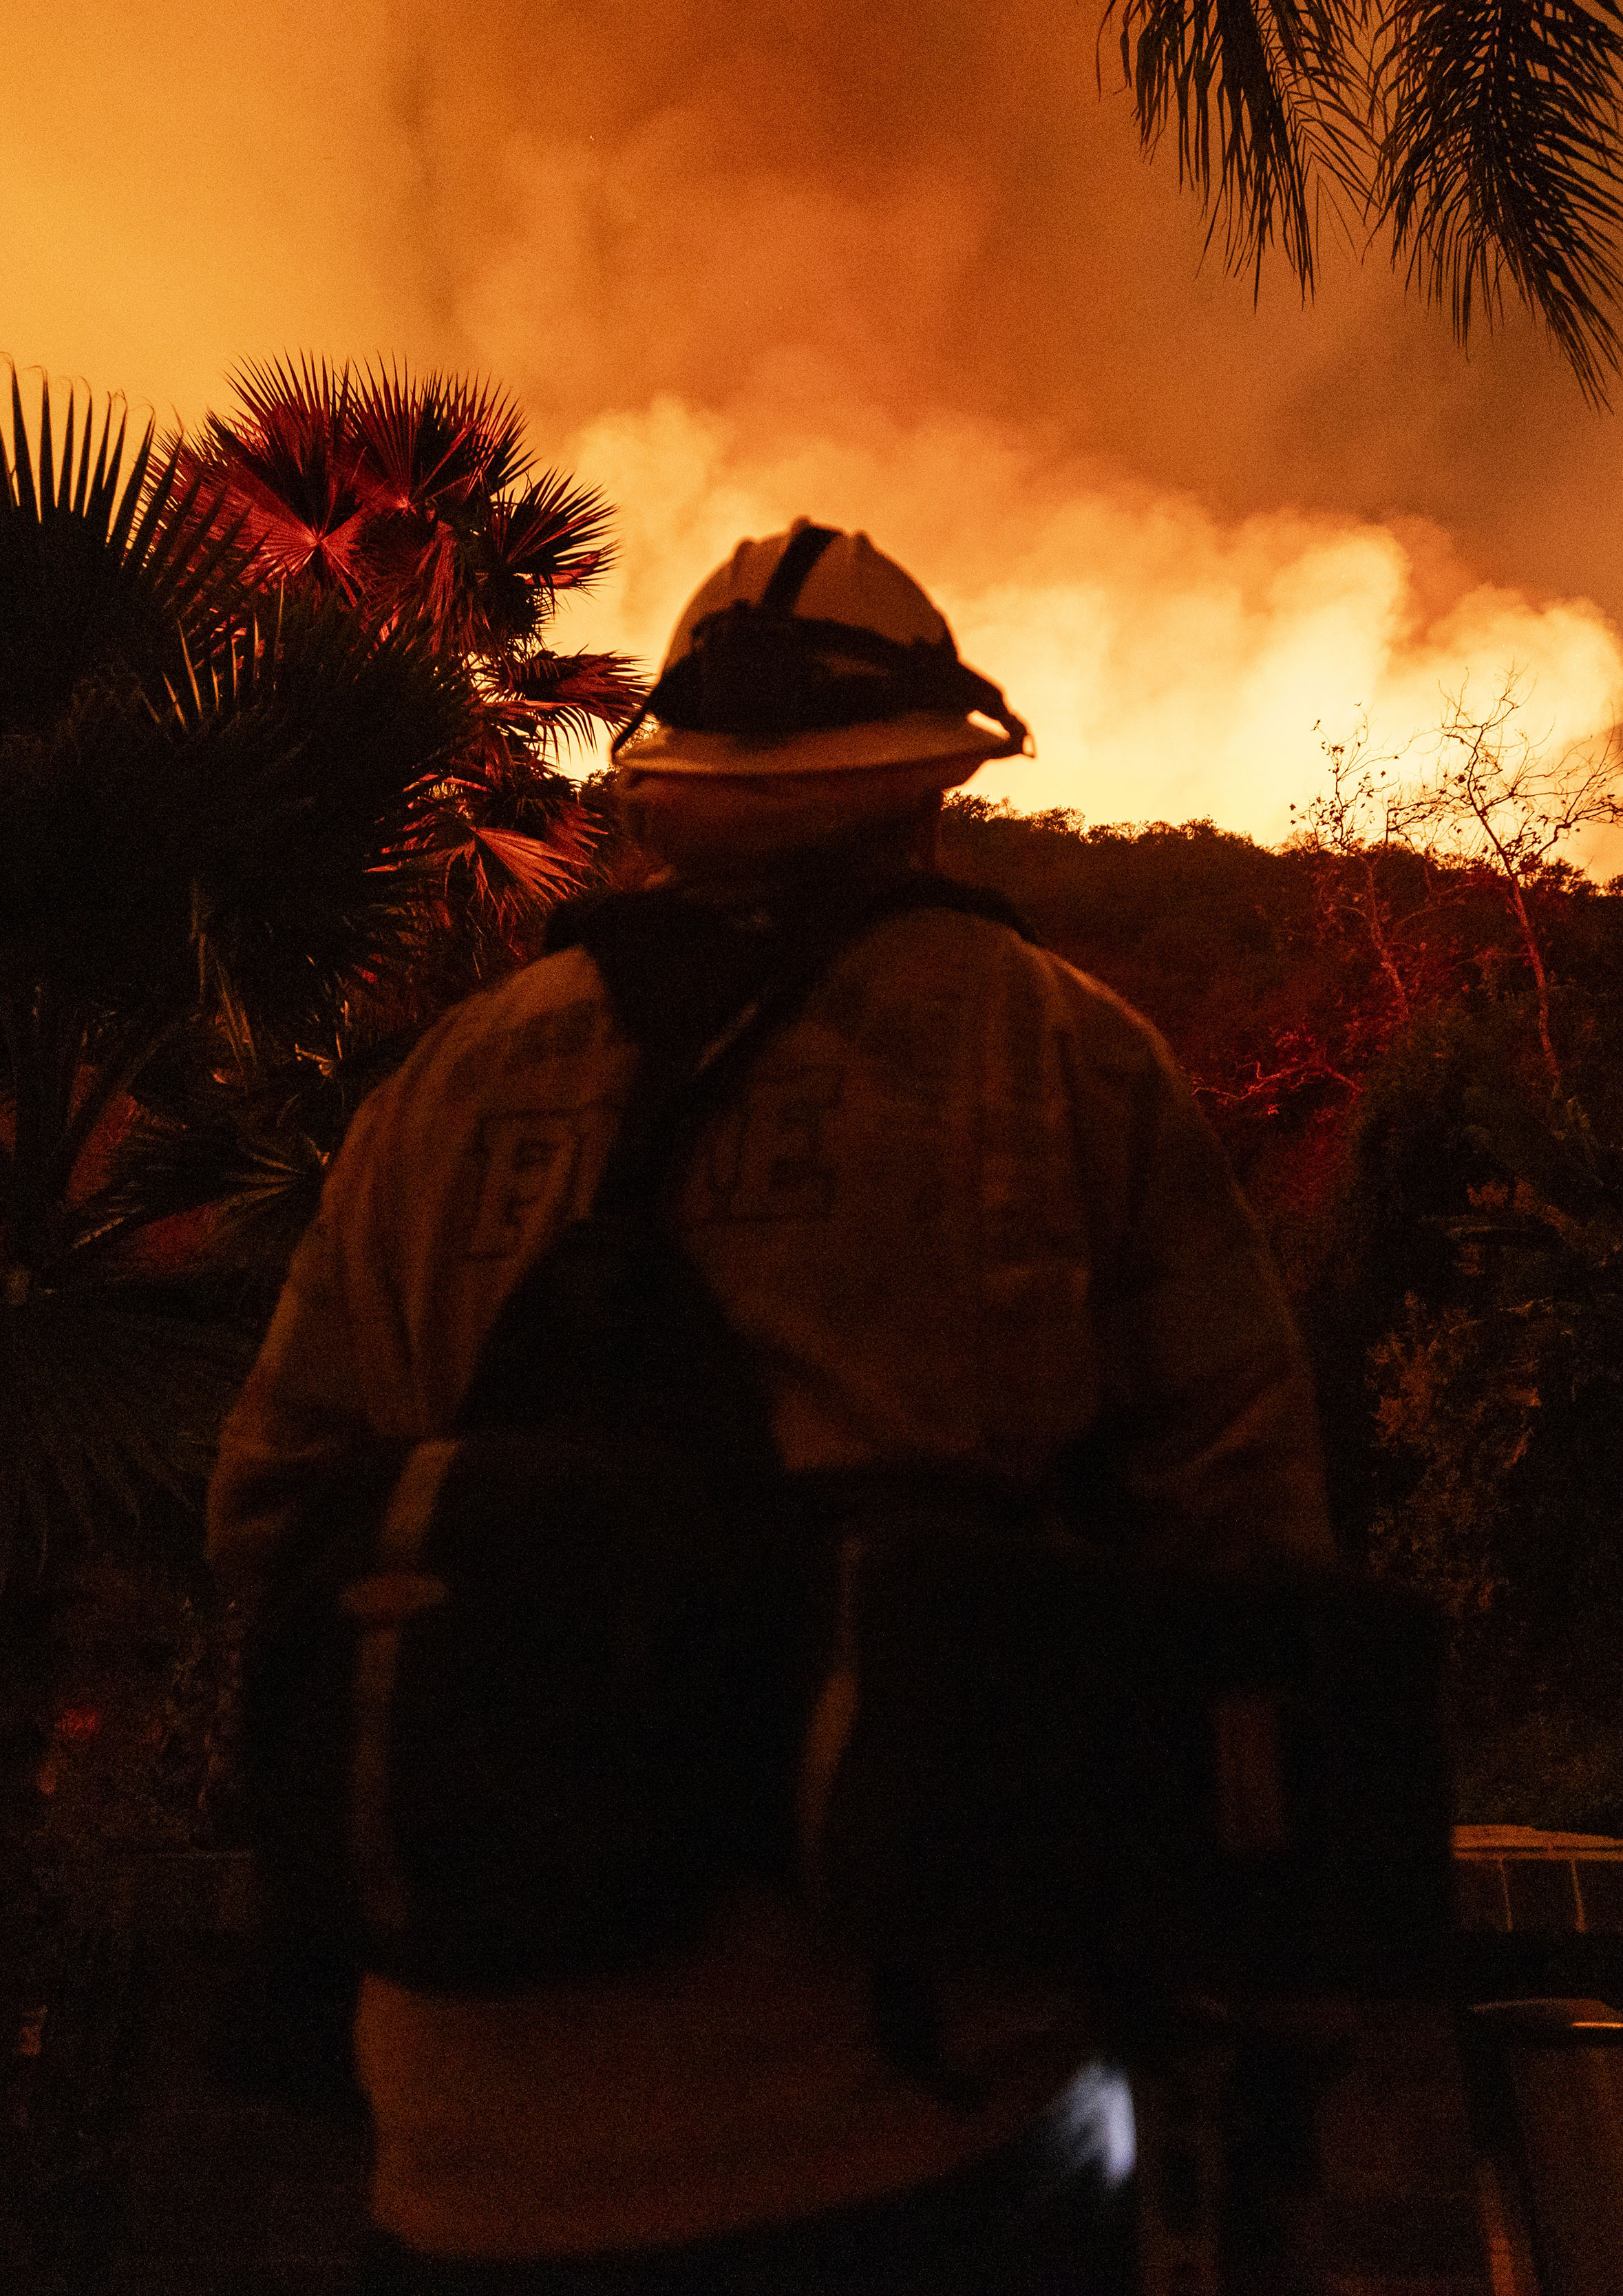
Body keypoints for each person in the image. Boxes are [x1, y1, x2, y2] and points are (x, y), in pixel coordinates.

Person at [206, 518, 1332, 2293]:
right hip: (918, 2120)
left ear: (676, 787)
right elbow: (1251, 1554)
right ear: (931, 784)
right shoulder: (1058, 1053)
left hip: (456, 2146)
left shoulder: (447, 1083)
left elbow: (270, 1517)